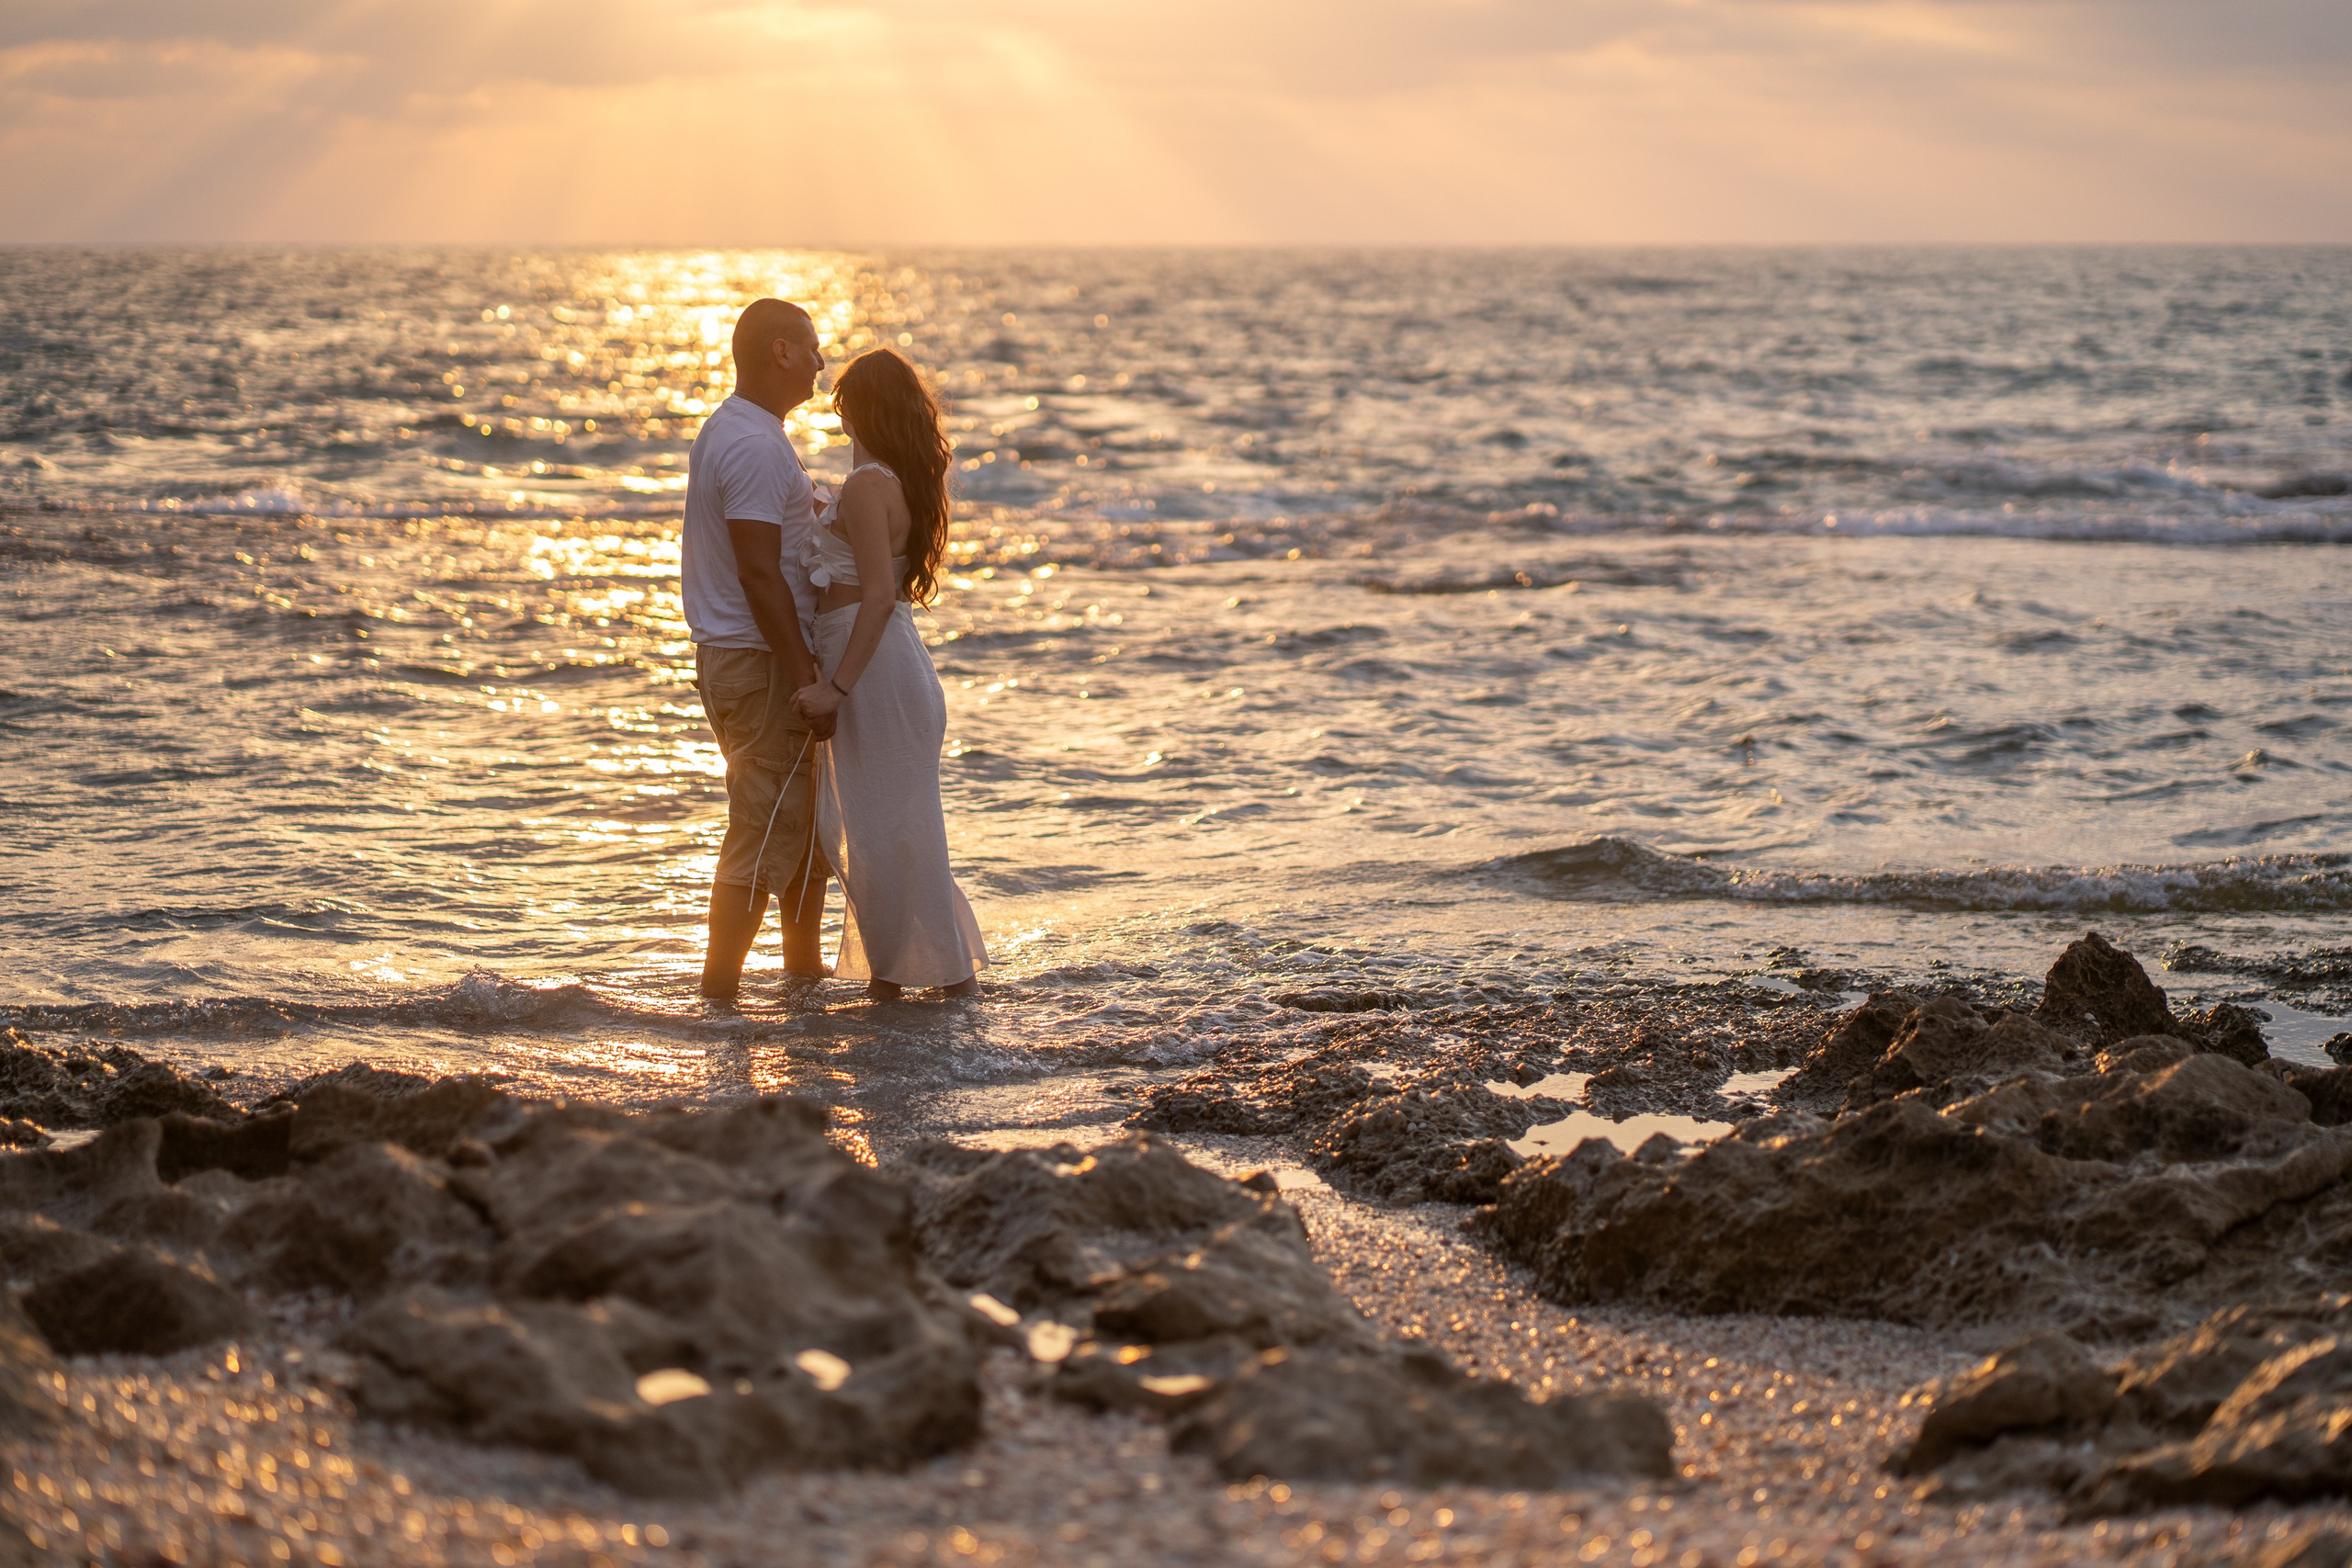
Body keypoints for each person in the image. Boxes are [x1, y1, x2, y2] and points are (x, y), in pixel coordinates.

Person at [792, 350, 988, 998]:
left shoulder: (871, 485)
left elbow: (877, 594)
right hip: (886, 665)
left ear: (864, 412)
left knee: (885, 837)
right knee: (891, 833)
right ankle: (915, 978)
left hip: (873, 670)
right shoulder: (885, 481)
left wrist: (835, 687)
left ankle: (915, 983)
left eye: (847, 408)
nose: (841, 419)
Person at [680, 298, 833, 998]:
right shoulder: (752, 442)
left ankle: (803, 981)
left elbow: (770, 543)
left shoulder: (740, 430)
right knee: (762, 826)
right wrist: (805, 672)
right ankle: (719, 998)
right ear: (780, 351)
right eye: (811, 347)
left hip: (742, 657)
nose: (820, 362)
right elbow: (757, 570)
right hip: (761, 661)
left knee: (799, 833)